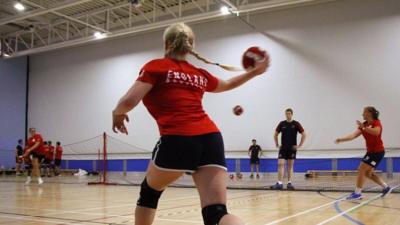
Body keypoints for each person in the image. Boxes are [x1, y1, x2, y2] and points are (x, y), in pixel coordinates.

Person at [112, 23, 269, 225]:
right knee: (216, 213)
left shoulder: (156, 67)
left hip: (179, 138)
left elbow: (128, 102)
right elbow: (228, 84)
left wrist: (117, 113)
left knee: (149, 192)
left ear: (166, 43)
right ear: (191, 46)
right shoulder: (198, 73)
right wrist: (254, 72)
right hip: (211, 139)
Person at [335, 106, 392, 200]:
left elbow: (376, 132)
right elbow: (353, 135)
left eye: (364, 112)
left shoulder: (376, 122)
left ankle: (357, 193)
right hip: (371, 152)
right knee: (368, 174)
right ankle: (386, 187)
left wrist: (364, 128)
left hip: (377, 152)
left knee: (361, 169)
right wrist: (341, 139)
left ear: (369, 113)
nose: (362, 114)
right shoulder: (364, 124)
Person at [271, 108, 306, 190]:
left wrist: (299, 145)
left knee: (290, 166)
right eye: (286, 113)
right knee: (280, 164)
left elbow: (304, 134)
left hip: (292, 148)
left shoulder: (296, 124)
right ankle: (279, 183)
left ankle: (289, 183)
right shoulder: (282, 123)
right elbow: (275, 134)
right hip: (283, 148)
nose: (288, 115)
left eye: (289, 113)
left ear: (292, 114)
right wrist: (277, 144)